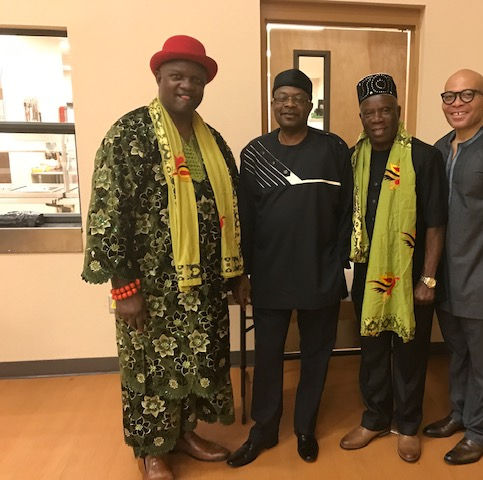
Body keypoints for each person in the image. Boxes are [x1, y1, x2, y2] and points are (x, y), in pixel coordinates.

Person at [81, 35, 243, 480]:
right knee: (150, 368)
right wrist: (124, 288)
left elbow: (232, 210)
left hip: (202, 285)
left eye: (195, 79)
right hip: (150, 288)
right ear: (158, 77)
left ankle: (185, 434)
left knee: (194, 359)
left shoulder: (213, 141)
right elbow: (108, 213)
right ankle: (152, 450)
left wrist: (236, 273)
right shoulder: (129, 134)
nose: (186, 85)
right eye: (176, 76)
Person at [227, 69, 353, 467]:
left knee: (316, 354)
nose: (289, 104)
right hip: (270, 272)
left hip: (320, 271)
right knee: (268, 355)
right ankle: (264, 429)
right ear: (273, 103)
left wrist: (340, 261)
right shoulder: (255, 153)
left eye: (298, 98)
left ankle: (305, 428)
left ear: (310, 104)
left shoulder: (333, 149)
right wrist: (243, 272)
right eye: (281, 97)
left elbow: (348, 210)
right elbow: (245, 217)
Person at [339, 73, 447, 462]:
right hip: (367, 274)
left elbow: (436, 223)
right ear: (361, 117)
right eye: (370, 112)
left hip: (411, 275)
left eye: (385, 110)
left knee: (410, 353)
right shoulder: (354, 158)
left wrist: (428, 278)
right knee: (371, 350)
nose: (378, 118)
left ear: (398, 111)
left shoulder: (423, 157)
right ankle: (375, 419)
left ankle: (407, 425)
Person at [423, 69, 483, 465]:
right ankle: (460, 414)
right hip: (444, 278)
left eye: (467, 95)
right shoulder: (439, 149)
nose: (456, 103)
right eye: (449, 96)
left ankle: (478, 432)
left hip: (478, 278)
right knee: (457, 353)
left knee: (481, 361)